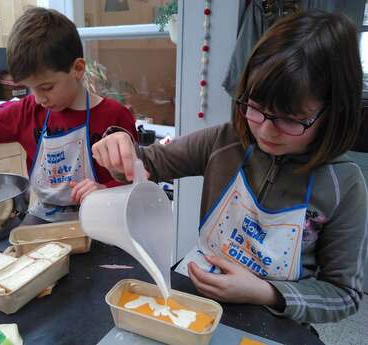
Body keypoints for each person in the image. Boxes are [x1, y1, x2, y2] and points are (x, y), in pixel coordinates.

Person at [91, 10, 367, 324]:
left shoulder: (344, 185)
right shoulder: (226, 141)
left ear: (333, 113)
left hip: (273, 321)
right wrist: (120, 147)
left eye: (290, 119)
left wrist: (267, 292)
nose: (264, 130)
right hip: (194, 300)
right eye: (256, 108)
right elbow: (149, 163)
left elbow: (344, 294)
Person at [0, 7, 137, 224]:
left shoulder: (115, 116)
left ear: (77, 69)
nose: (39, 98)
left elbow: (135, 183)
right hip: (43, 221)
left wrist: (105, 190)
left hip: (103, 220)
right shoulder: (28, 111)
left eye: (46, 87)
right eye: (31, 89)